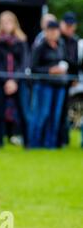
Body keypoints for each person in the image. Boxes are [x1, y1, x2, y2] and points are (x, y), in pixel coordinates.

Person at [0, 11, 29, 148]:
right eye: (4, 22)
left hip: (19, 82)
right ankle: (0, 141)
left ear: (15, 24)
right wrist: (7, 80)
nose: (7, 25)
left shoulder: (21, 41)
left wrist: (14, 81)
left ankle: (27, 142)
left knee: (23, 112)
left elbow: (24, 62)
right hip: (2, 81)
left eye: (9, 22)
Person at [29, 20, 68, 148]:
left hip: (60, 85)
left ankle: (50, 143)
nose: (53, 33)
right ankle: (35, 143)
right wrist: (49, 70)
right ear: (46, 32)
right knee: (42, 114)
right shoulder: (40, 47)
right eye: (50, 31)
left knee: (55, 116)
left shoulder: (61, 45)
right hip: (44, 85)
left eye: (56, 31)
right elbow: (33, 68)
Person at [58, 11, 79, 147]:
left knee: (65, 111)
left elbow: (74, 60)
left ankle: (64, 140)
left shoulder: (75, 40)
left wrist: (75, 77)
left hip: (68, 80)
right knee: (57, 111)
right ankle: (57, 140)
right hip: (57, 80)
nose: (70, 28)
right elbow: (63, 58)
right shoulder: (58, 38)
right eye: (67, 25)